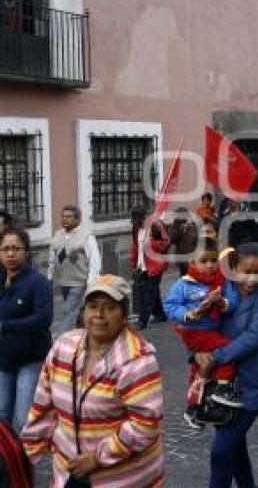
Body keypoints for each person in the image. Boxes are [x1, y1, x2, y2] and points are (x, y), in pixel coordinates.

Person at [21, 274, 165, 486]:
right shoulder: (64, 346)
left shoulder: (137, 360)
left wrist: (97, 457)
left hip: (123, 478)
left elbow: (146, 426)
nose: (99, 314)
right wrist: (25, 457)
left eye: (109, 307)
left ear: (124, 315)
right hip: (69, 471)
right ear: (83, 311)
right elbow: (43, 406)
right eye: (92, 306)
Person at [194, 243, 258, 488]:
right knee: (234, 448)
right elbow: (201, 323)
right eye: (246, 271)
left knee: (221, 451)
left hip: (249, 384)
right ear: (234, 267)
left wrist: (216, 357)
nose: (252, 278)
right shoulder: (222, 287)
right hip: (219, 384)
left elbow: (256, 336)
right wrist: (198, 351)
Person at [164, 240, 242, 430]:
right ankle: (223, 388)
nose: (209, 265)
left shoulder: (222, 282)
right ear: (192, 262)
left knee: (199, 370)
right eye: (204, 261)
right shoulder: (183, 284)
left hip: (211, 331)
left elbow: (232, 302)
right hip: (194, 332)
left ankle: (194, 408)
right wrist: (187, 314)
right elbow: (170, 305)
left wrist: (220, 302)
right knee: (228, 350)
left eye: (213, 260)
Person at [0, 229, 52, 432]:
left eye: (15, 248)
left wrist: (7, 326)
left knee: (23, 421)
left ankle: (24, 462)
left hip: (30, 360)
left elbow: (43, 319)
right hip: (3, 361)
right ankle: (6, 462)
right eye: (5, 249)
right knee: (2, 418)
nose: (10, 254)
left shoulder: (37, 282)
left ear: (26, 252)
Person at [48, 205, 101, 334]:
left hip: (79, 281)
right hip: (63, 280)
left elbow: (94, 259)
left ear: (77, 219)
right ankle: (83, 333)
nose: (64, 219)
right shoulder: (58, 234)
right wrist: (49, 276)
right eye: (63, 216)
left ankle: (61, 338)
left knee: (69, 310)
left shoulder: (86, 236)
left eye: (68, 217)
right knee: (75, 310)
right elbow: (52, 256)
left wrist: (91, 280)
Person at [129, 205, 170, 330]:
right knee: (151, 292)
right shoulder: (135, 228)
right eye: (135, 221)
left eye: (139, 221)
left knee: (148, 294)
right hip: (142, 265)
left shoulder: (156, 225)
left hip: (155, 265)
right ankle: (160, 314)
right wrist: (133, 264)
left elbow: (166, 241)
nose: (137, 224)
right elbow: (136, 246)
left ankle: (143, 321)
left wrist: (152, 243)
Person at [168, 207, 199, 277]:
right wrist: (179, 230)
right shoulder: (174, 226)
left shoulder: (192, 225)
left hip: (193, 257)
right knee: (184, 277)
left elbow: (197, 239)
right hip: (182, 258)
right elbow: (172, 240)